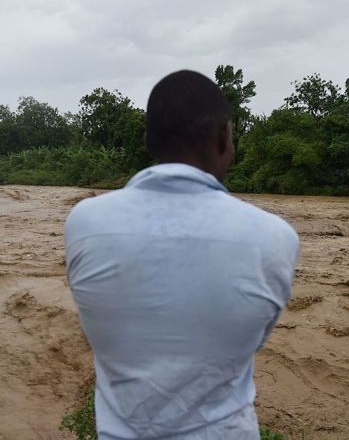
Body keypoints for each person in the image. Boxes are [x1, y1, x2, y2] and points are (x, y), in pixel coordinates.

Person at [64, 70, 300, 439]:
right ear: (224, 138)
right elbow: (251, 341)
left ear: (148, 141)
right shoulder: (275, 237)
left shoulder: (84, 222)